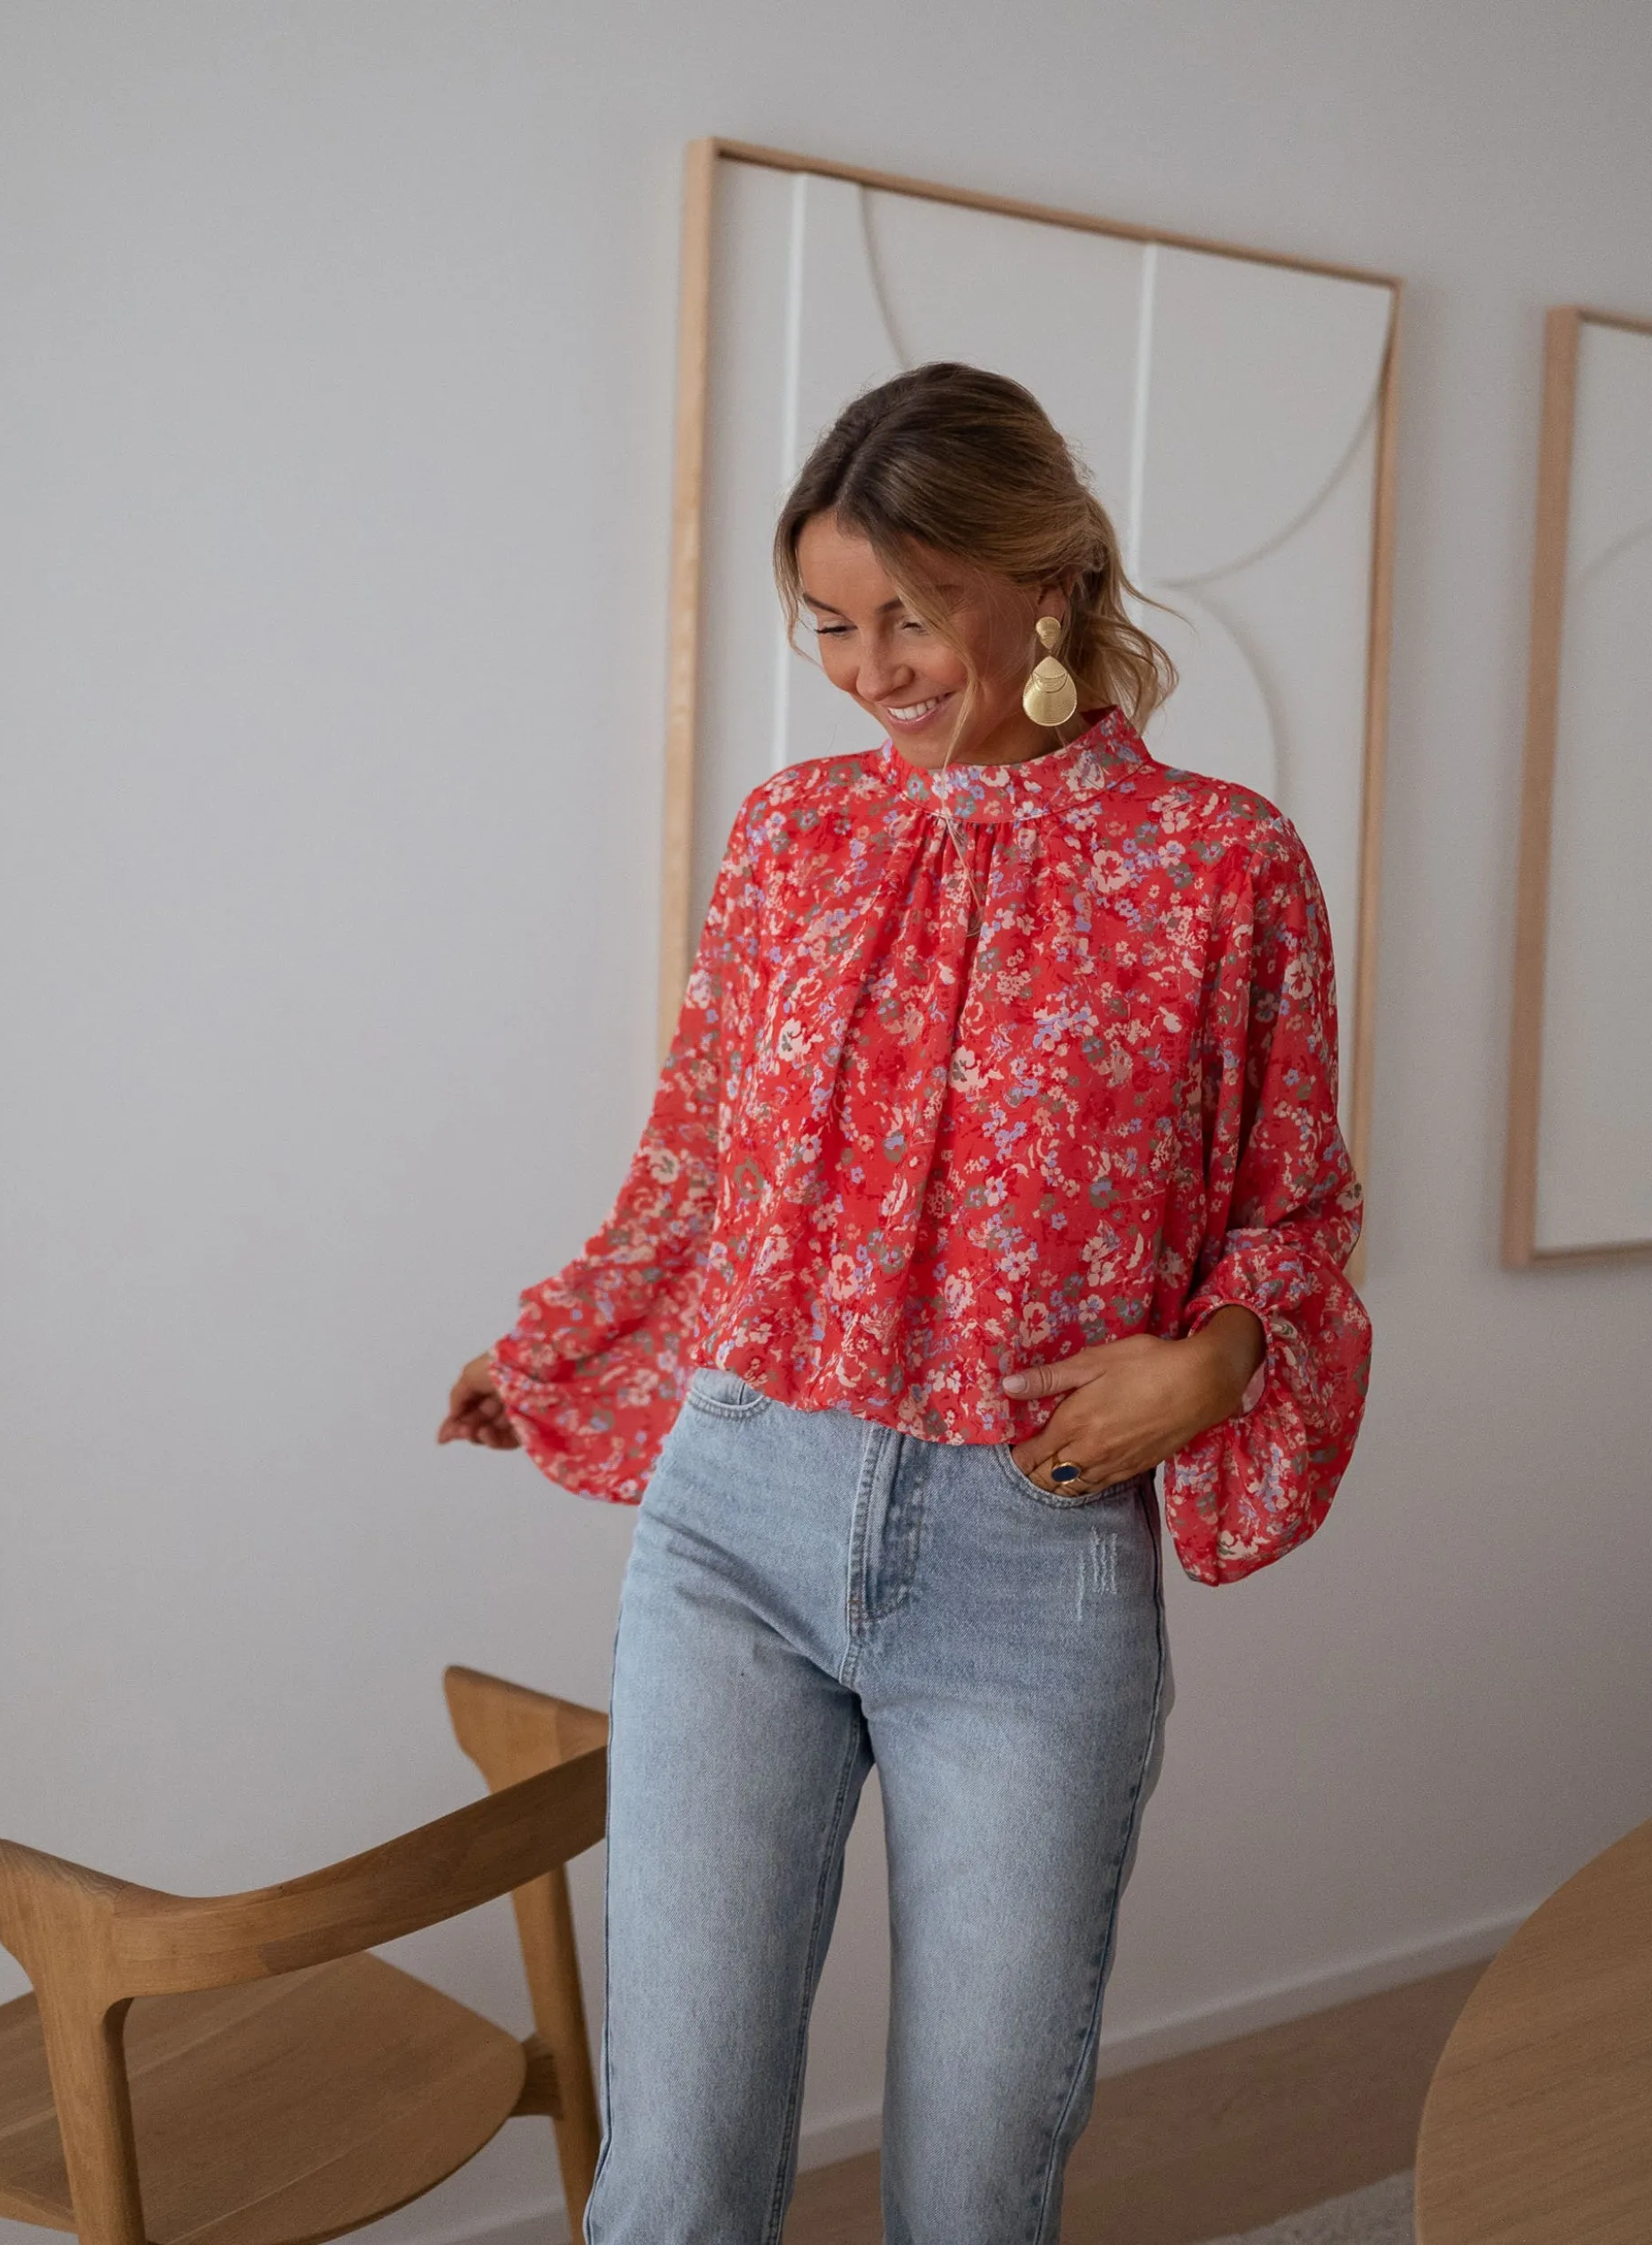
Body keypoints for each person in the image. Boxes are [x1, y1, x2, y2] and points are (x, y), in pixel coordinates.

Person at [439, 363, 1371, 2245]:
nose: (871, 668)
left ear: (1047, 580)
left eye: (912, 615)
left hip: (1030, 1558)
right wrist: (556, 1344)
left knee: (973, 2185)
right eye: (832, 623)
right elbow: (701, 1161)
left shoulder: (1223, 865)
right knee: (675, 2177)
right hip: (736, 1522)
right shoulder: (791, 838)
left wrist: (1216, 1361)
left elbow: (1298, 1208)